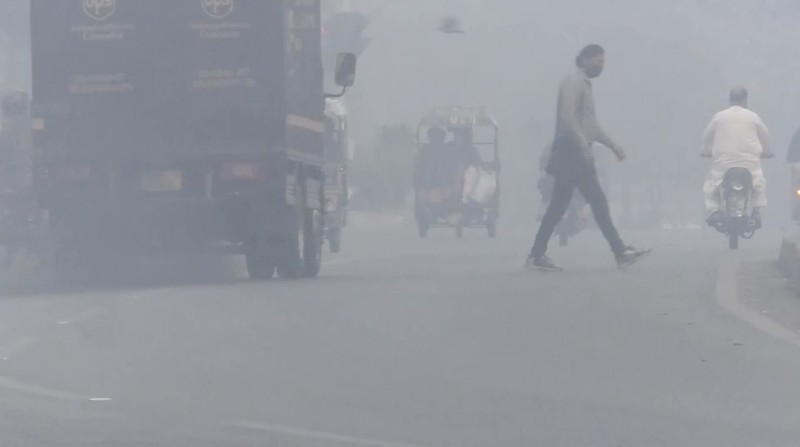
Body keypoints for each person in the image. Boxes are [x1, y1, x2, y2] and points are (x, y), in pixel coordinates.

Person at [525, 44, 649, 271]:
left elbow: (591, 125)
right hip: (571, 151)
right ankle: (619, 251)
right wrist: (584, 147)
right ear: (584, 59)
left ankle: (537, 255)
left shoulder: (584, 85)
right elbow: (567, 118)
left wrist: (613, 146)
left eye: (602, 63)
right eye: (597, 62)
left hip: (574, 150)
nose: (600, 66)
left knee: (559, 206)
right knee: (597, 202)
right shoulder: (573, 82)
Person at [701, 86, 773, 228]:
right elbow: (766, 137)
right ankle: (757, 211)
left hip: (723, 164)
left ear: (730, 100)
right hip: (750, 164)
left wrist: (706, 151)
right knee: (758, 183)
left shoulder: (719, 117)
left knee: (711, 185)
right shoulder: (753, 117)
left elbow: (706, 137)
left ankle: (714, 211)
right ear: (745, 100)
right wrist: (767, 152)